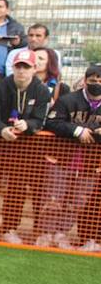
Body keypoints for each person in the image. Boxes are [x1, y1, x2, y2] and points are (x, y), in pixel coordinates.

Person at [0, 48, 50, 244]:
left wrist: (27, 125)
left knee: (17, 188)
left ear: (34, 69)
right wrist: (2, 129)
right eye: (18, 67)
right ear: (13, 67)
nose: (21, 71)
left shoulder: (42, 90)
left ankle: (11, 228)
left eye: (26, 67)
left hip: (25, 148)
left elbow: (40, 119)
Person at [43, 64, 101, 252]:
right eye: (93, 80)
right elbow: (51, 122)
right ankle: (47, 233)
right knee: (54, 198)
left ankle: (62, 234)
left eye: (100, 81)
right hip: (61, 159)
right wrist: (77, 130)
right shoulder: (68, 100)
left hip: (90, 165)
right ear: (85, 81)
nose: (96, 84)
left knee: (77, 202)